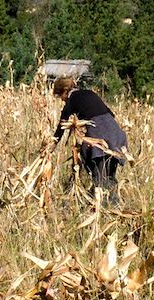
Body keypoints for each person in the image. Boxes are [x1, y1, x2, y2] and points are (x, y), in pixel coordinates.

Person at [51, 77, 127, 206]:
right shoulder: (90, 93)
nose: (62, 100)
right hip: (115, 134)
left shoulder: (72, 100)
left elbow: (62, 125)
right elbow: (110, 113)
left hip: (99, 135)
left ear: (65, 91)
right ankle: (114, 205)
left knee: (100, 175)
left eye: (60, 96)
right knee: (110, 174)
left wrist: (53, 144)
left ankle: (105, 208)